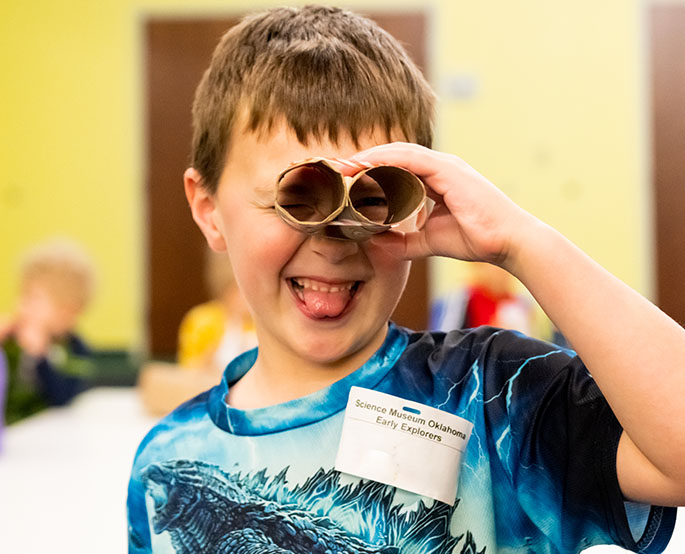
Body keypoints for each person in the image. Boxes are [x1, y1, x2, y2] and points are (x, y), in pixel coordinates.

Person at [127, 6, 684, 553]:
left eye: (372, 200)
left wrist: (519, 240)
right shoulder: (167, 462)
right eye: (297, 197)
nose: (333, 238)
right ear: (207, 208)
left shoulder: (488, 394)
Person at [137, 249, 256, 416]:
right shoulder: (202, 321)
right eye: (238, 289)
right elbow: (189, 369)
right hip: (208, 388)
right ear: (225, 288)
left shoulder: (262, 324)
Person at [1, 238, 95, 424]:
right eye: (22, 295)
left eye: (33, 298)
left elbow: (62, 398)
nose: (22, 306)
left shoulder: (76, 348)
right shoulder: (12, 338)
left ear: (66, 310)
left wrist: (40, 355)